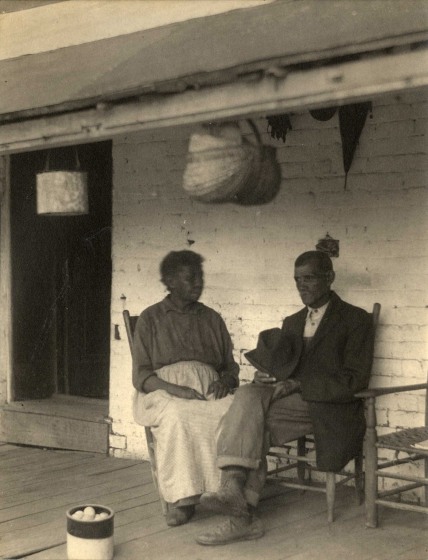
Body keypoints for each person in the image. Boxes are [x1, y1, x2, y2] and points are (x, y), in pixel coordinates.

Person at [196, 250, 374, 545]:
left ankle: (235, 496)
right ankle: (240, 509)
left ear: (330, 278)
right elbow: (284, 367)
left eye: (309, 279)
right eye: (296, 280)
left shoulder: (355, 320)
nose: (301, 286)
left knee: (252, 423)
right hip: (292, 403)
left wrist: (296, 384)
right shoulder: (292, 321)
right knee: (250, 394)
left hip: (329, 405)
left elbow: (354, 380)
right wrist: (269, 375)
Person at [132, 250, 239, 527]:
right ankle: (184, 500)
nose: (198, 283)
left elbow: (230, 367)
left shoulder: (212, 318)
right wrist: (177, 390)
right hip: (163, 392)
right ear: (169, 281)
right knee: (179, 415)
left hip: (207, 391)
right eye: (190, 278)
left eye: (200, 277)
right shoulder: (151, 318)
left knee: (238, 410)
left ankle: (227, 491)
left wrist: (224, 381)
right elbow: (142, 376)